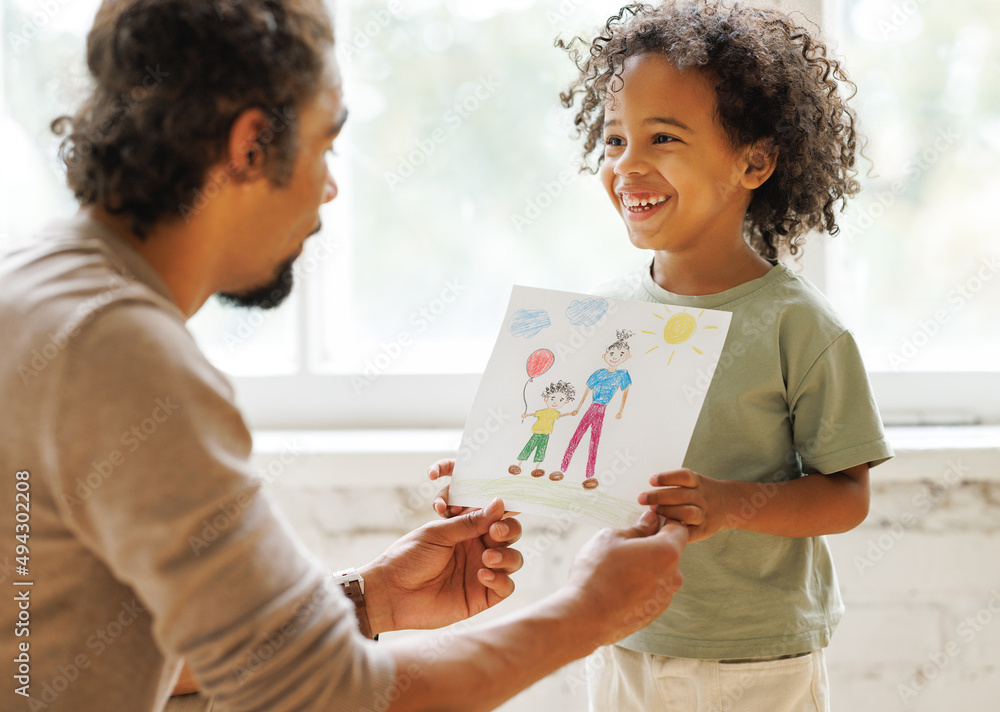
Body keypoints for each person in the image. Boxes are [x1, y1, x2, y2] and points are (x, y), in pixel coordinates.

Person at [0, 2, 690, 711]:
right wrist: (588, 613)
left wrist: (366, 601)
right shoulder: (120, 357)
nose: (330, 187)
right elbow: (332, 698)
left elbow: (123, 647)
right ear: (248, 147)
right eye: (326, 144)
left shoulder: (39, 286)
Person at [437, 2, 893, 710]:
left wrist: (731, 502)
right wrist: (487, 474)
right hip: (623, 642)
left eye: (662, 137)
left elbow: (848, 496)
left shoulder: (799, 327)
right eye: (615, 140)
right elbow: (575, 449)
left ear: (754, 161)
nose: (627, 166)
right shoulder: (605, 311)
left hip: (756, 656)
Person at [555, 329, 634, 487]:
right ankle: (563, 468)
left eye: (620, 354)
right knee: (577, 435)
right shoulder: (598, 373)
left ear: (627, 356)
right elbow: (586, 391)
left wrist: (620, 411)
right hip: (592, 407)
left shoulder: (622, 375)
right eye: (611, 353)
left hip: (602, 410)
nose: (615, 357)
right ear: (605, 355)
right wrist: (578, 407)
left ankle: (589, 474)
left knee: (594, 441)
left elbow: (625, 392)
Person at [510, 379, 576, 476]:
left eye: (561, 400)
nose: (556, 402)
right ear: (546, 398)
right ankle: (519, 465)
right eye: (552, 398)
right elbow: (534, 414)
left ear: (565, 402)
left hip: (546, 434)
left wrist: (570, 413)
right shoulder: (543, 411)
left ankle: (536, 468)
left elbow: (561, 416)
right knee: (529, 447)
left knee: (541, 450)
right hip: (536, 433)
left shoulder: (555, 413)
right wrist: (526, 415)